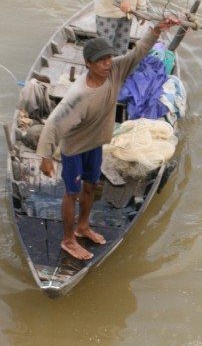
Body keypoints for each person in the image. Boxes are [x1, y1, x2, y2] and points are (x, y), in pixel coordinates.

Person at [36, 17, 179, 261]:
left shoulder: (114, 71)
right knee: (72, 193)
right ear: (87, 64)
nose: (106, 63)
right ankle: (68, 240)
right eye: (100, 60)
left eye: (108, 58)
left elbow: (138, 53)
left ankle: (83, 227)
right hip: (74, 150)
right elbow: (53, 124)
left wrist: (155, 31)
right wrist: (45, 156)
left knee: (91, 186)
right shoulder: (79, 96)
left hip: (96, 145)